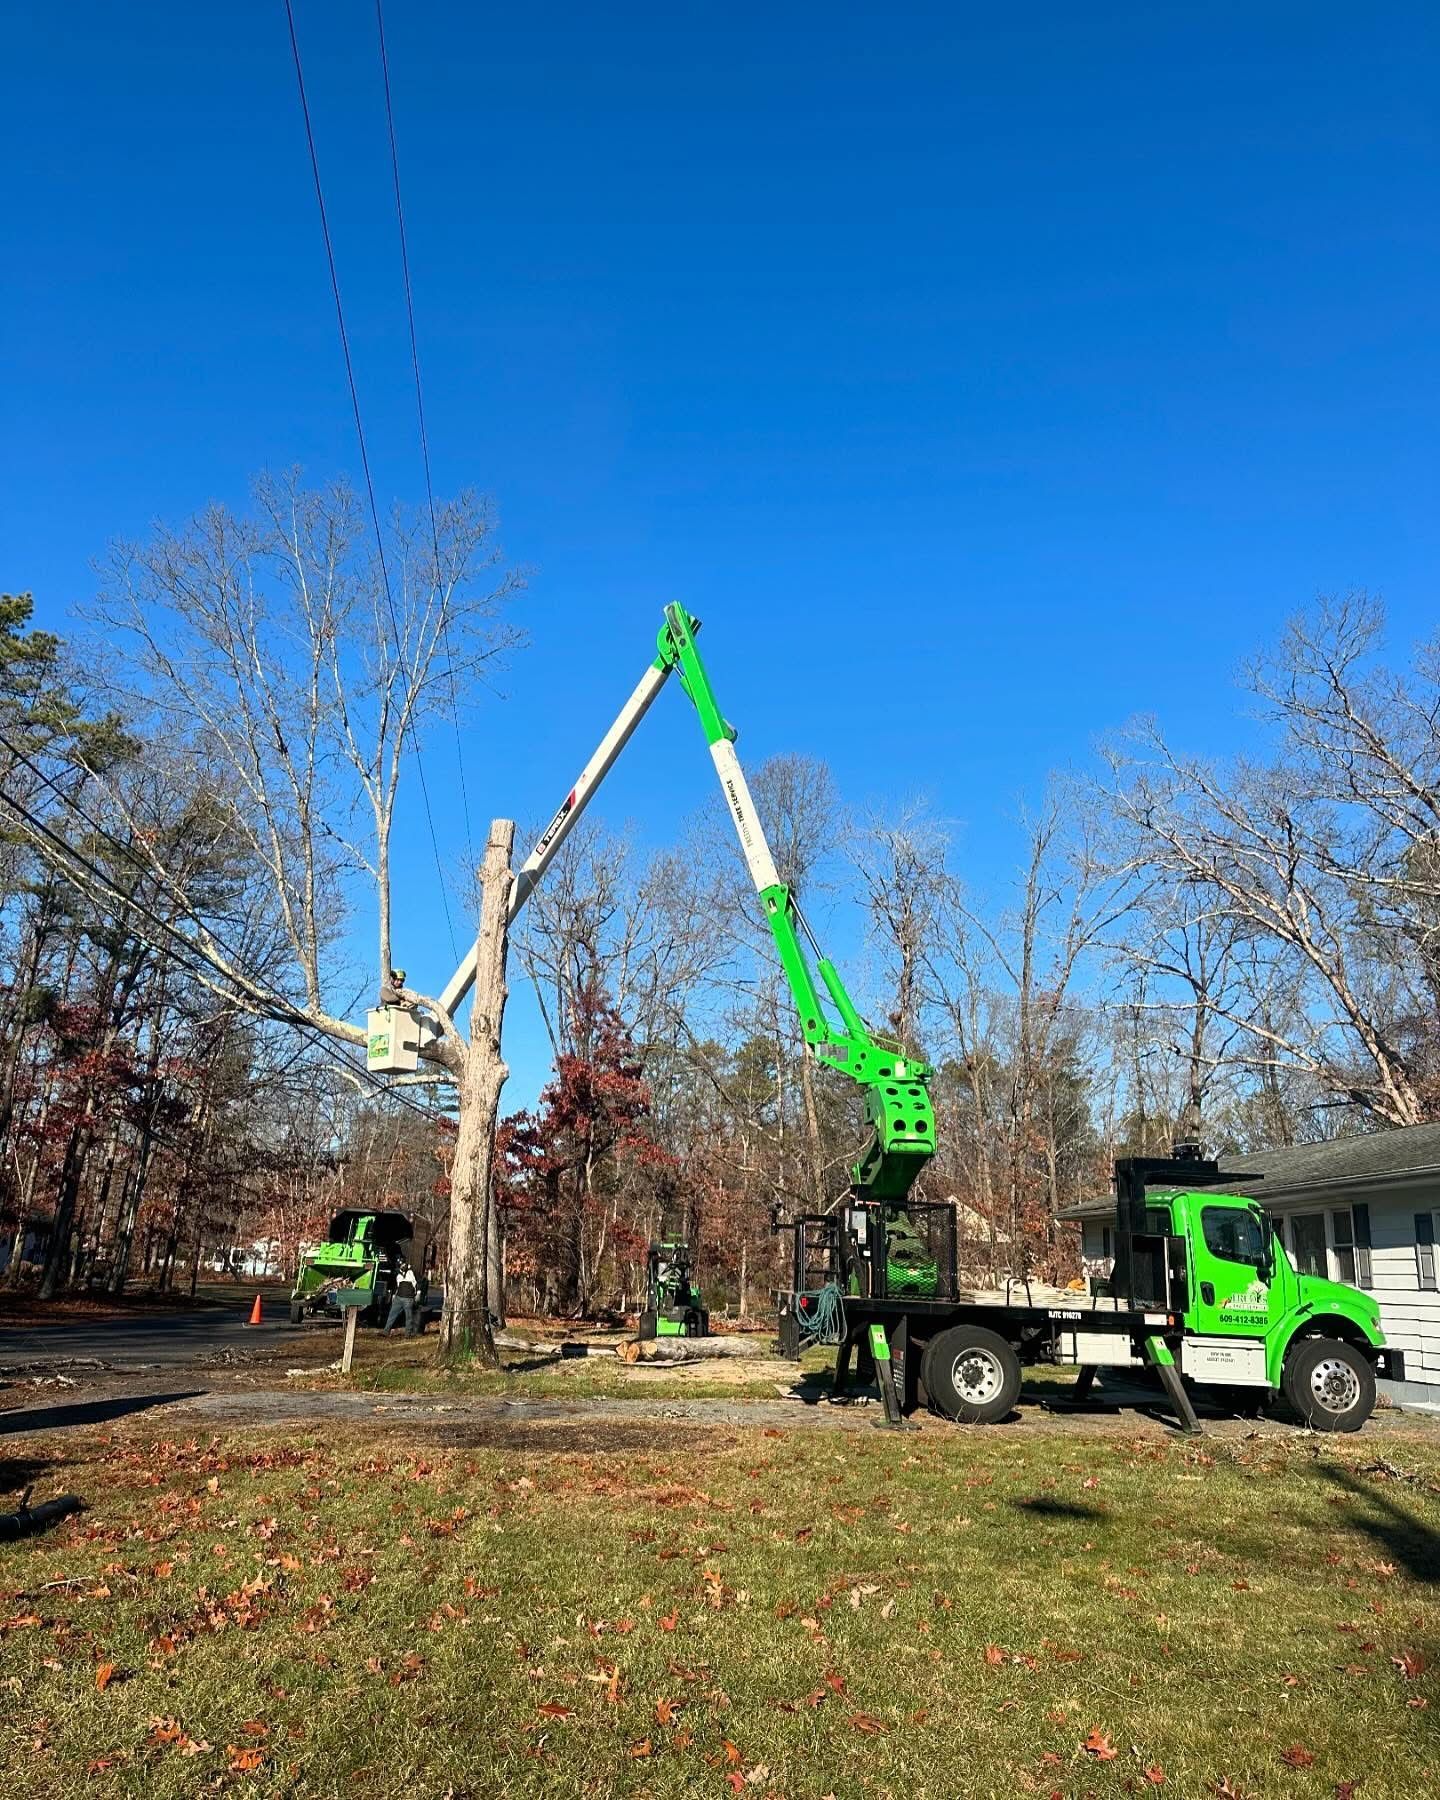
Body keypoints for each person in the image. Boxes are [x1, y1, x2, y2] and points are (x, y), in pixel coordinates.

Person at [384, 1260, 419, 1336]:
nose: (402, 1267)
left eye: (403, 1265)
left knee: (407, 1317)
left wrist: (415, 1295)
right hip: (400, 1297)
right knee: (393, 1315)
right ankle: (386, 1331)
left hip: (407, 1298)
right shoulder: (399, 1273)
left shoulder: (411, 1273)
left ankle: (407, 1334)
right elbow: (397, 1286)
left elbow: (416, 1285)